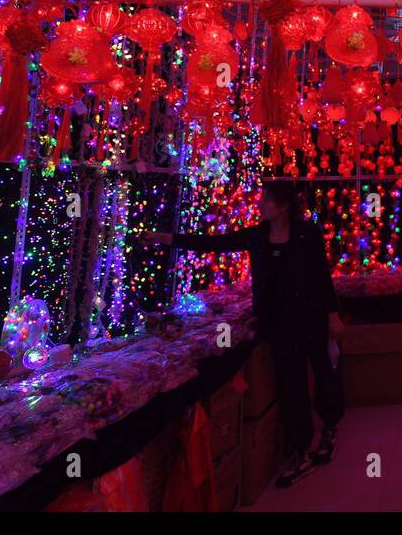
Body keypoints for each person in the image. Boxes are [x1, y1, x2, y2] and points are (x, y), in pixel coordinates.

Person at [143, 182, 345, 488]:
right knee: (291, 387)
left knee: (323, 374)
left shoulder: (306, 234)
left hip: (312, 318)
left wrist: (332, 315)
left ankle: (330, 428)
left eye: (266, 200)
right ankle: (300, 450)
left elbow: (321, 276)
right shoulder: (257, 236)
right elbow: (213, 243)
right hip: (279, 325)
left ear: (283, 206)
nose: (261, 204)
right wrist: (166, 239)